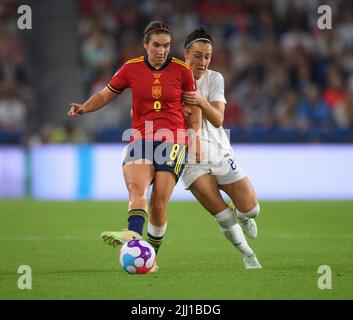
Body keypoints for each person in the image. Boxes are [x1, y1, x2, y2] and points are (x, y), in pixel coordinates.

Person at [68, 21, 198, 271]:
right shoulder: (131, 68)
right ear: (146, 45)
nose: (162, 51)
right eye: (157, 45)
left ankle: (151, 255)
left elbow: (193, 108)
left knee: (158, 206)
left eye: (167, 46)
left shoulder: (182, 70)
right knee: (136, 191)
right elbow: (106, 94)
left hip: (173, 141)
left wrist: (197, 137)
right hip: (140, 138)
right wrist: (85, 107)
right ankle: (132, 234)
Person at [181, 27, 261, 269]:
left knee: (252, 210)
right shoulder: (171, 79)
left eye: (207, 56)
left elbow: (218, 119)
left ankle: (244, 214)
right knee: (222, 215)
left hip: (219, 151)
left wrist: (200, 101)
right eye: (198, 55)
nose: (203, 61)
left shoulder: (215, 79)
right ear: (186, 53)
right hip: (189, 159)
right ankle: (248, 254)